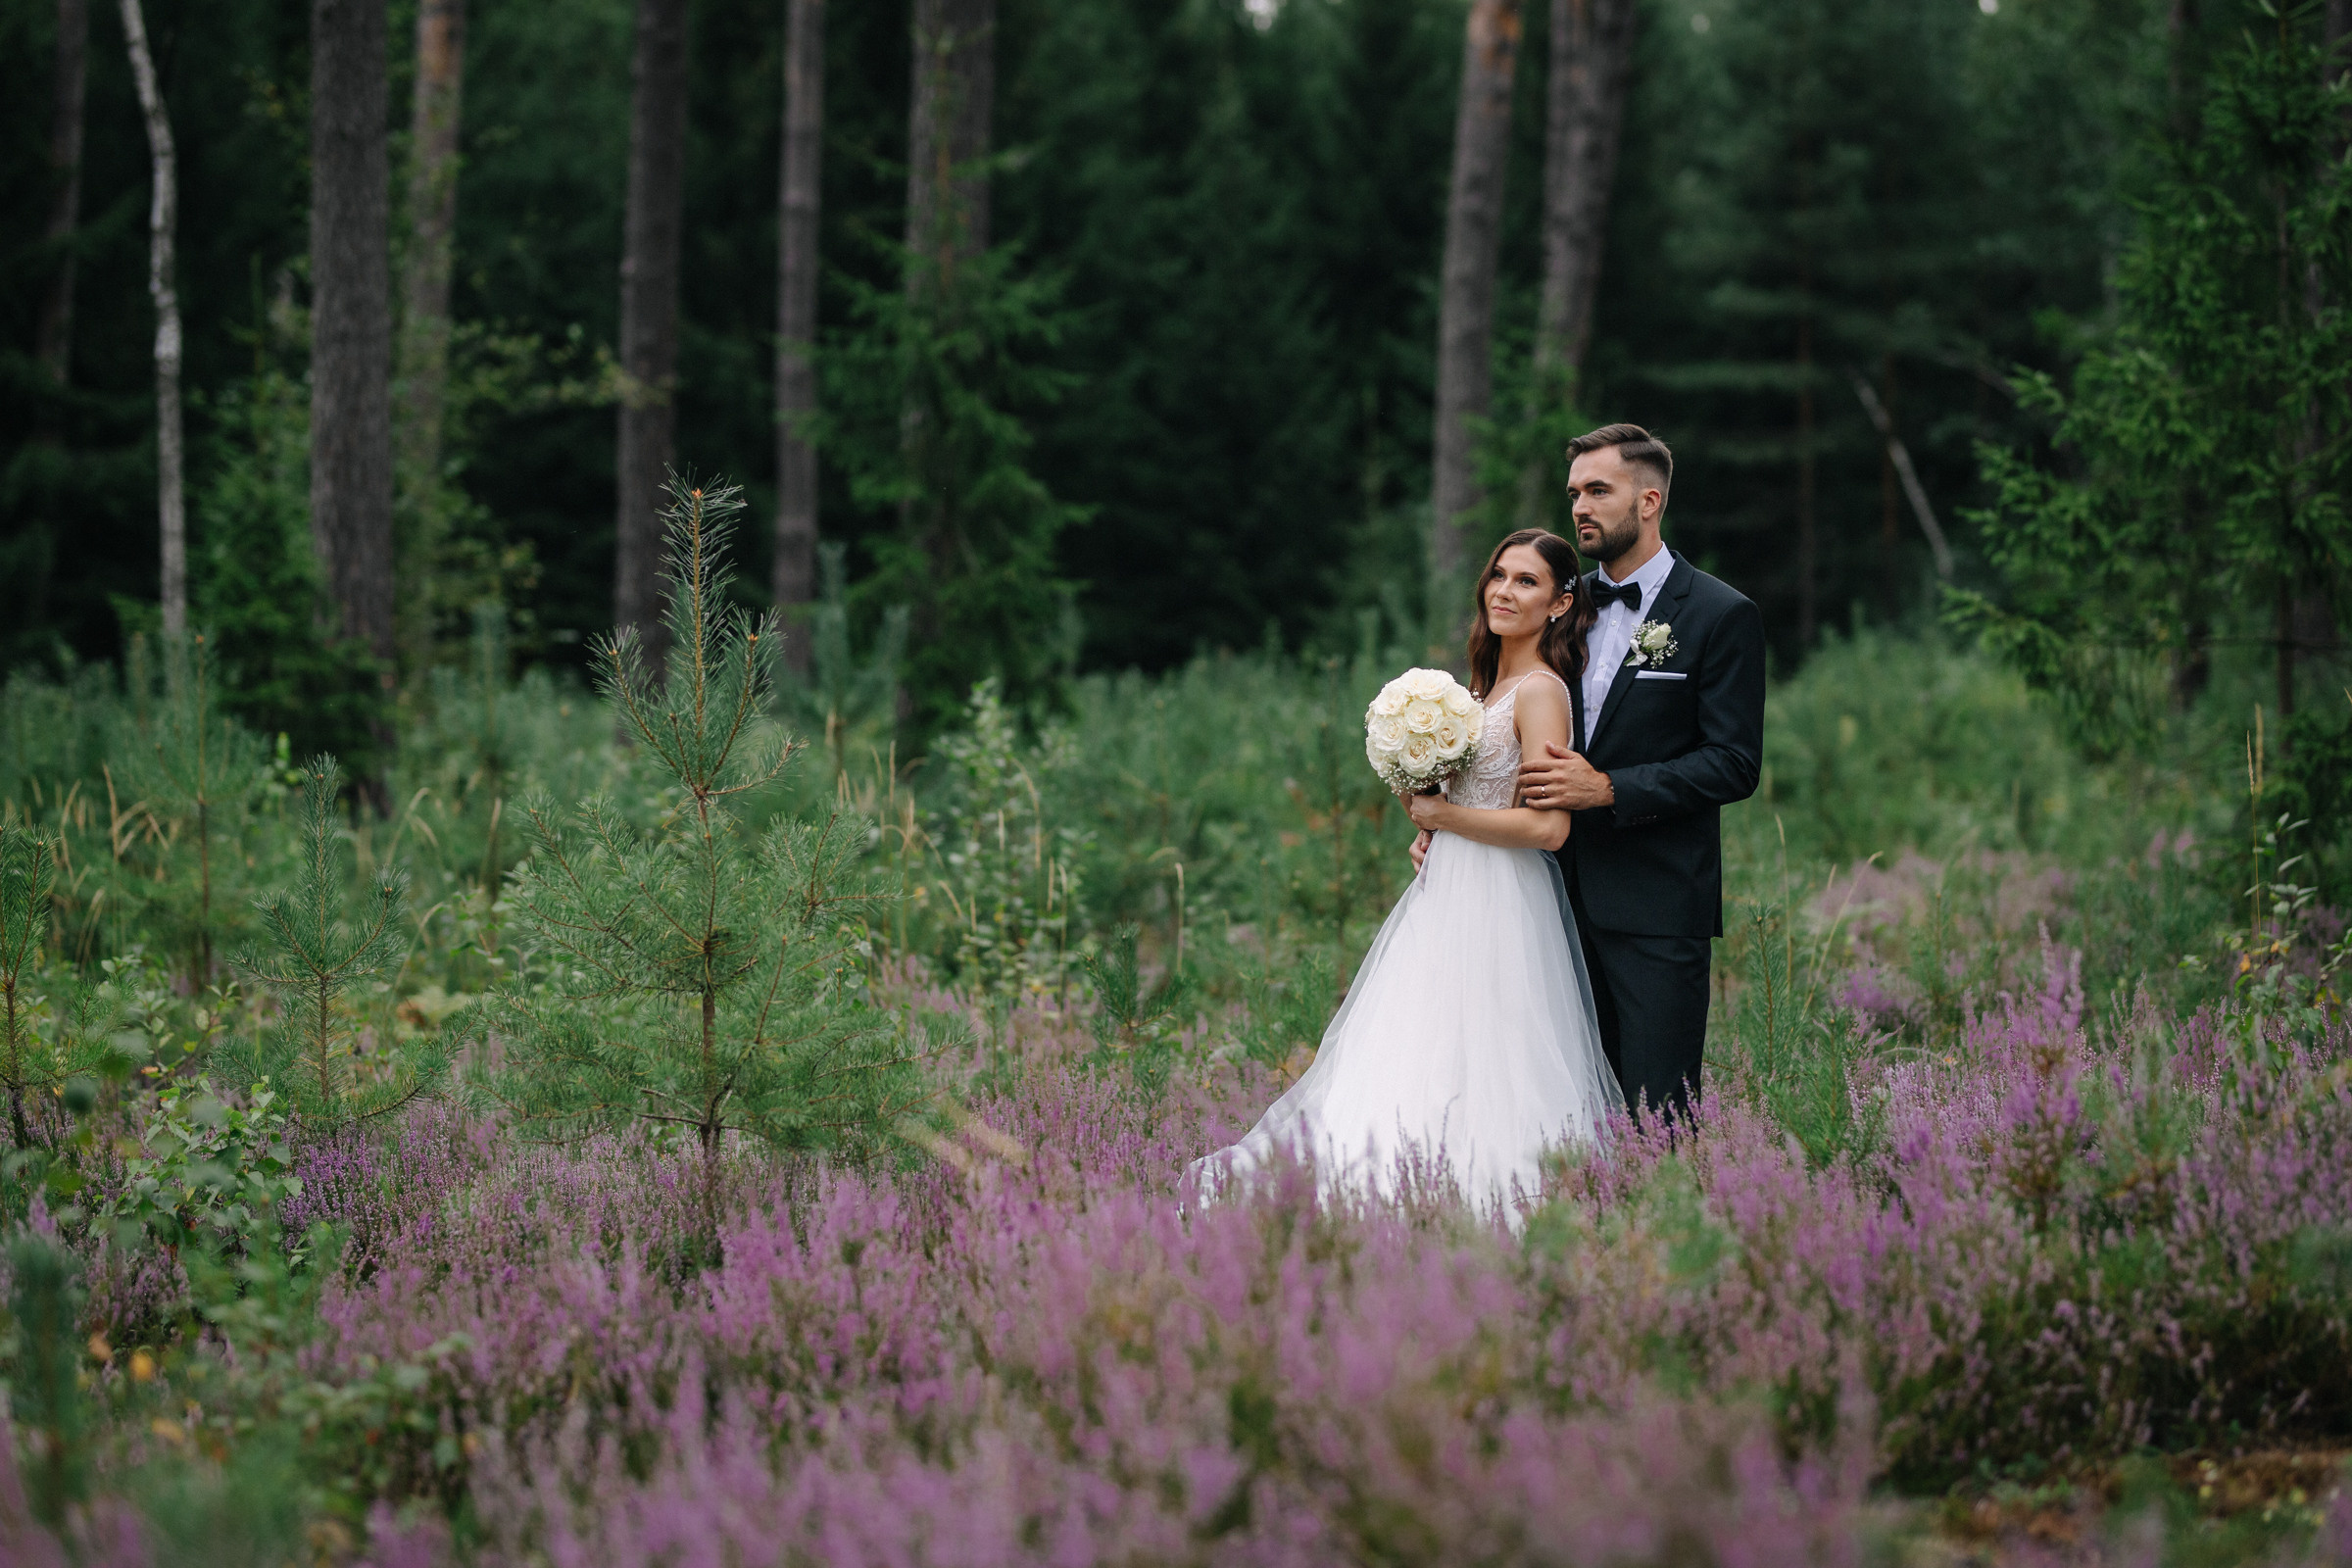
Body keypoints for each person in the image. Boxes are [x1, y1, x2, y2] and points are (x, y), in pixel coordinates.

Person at [1196, 530, 1621, 1211]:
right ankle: (1396, 1180)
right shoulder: (1484, 688)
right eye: (1499, 576)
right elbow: (1463, 802)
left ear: (1560, 604)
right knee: (1421, 1039)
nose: (1504, 592)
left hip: (1501, 899)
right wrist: (1422, 804)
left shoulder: (1541, 691)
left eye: (1527, 582)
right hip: (1447, 889)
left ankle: (1482, 1191)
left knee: (1486, 1047)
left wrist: (1446, 818)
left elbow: (1549, 828)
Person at [1516, 424, 1765, 1124]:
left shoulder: (1720, 614)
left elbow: (1734, 763)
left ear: (1649, 501)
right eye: (1574, 493)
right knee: (1558, 1112)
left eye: (1599, 491)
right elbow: (1506, 723)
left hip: (1658, 904)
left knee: (1659, 1117)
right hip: (1546, 896)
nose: (1580, 508)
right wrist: (1448, 821)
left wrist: (1610, 789)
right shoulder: (1556, 606)